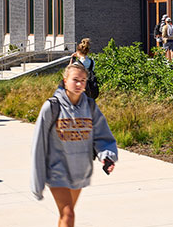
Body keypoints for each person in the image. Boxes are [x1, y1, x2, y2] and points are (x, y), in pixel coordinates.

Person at [31, 63, 118, 227]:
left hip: (79, 170)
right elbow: (38, 144)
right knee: (68, 215)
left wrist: (107, 157)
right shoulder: (51, 107)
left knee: (66, 216)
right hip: (57, 171)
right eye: (75, 80)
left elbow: (102, 135)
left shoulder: (90, 106)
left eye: (83, 80)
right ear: (65, 81)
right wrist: (37, 181)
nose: (79, 84)